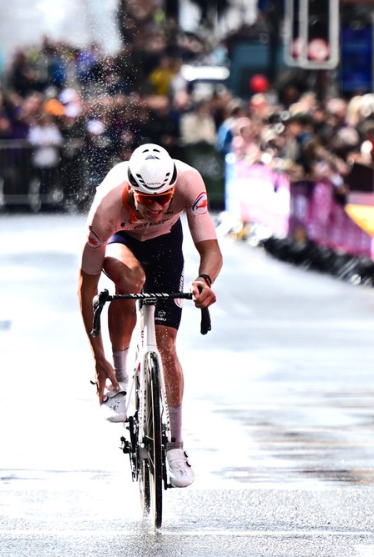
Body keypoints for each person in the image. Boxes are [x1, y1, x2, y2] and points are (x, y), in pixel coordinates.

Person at [77, 143, 223, 489]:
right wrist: (98, 358)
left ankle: (176, 446)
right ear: (131, 190)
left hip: (165, 247)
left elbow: (210, 248)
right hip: (122, 240)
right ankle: (121, 378)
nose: (158, 207)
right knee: (130, 280)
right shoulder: (106, 207)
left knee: (167, 345)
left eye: (165, 199)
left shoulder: (189, 182)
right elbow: (87, 287)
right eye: (148, 200)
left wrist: (204, 281)